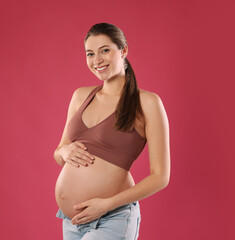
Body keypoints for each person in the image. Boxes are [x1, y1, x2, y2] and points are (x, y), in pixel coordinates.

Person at [53, 22, 170, 240]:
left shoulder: (147, 103)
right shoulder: (81, 96)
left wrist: (106, 205)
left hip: (112, 218)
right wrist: (65, 152)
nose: (96, 60)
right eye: (90, 53)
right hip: (71, 222)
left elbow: (160, 177)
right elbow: (59, 152)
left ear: (123, 51)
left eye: (104, 50)